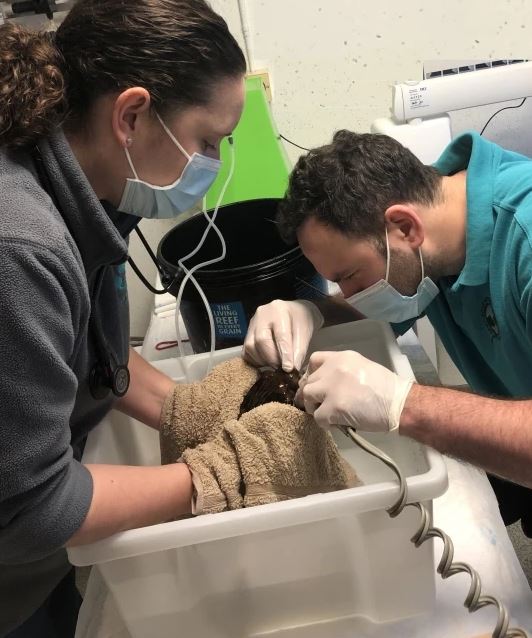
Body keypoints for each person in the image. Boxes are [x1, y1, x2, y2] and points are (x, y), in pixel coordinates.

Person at [0, 1, 246, 635]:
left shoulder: (86, 187)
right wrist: (222, 475)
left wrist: (191, 407)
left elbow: (89, 352)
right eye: (207, 142)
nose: (213, 166)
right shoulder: (21, 247)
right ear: (132, 116)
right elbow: (34, 507)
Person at [243, 129, 532, 534]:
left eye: (351, 277)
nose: (352, 296)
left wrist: (403, 403)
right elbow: (382, 299)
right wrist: (314, 311)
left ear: (404, 227)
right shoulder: (435, 230)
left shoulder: (524, 240)